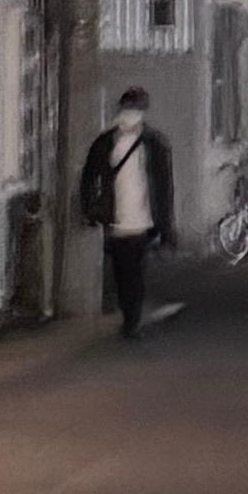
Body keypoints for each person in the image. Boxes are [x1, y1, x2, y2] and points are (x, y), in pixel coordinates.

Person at [77, 85, 174, 339]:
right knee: (123, 271)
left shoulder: (153, 144)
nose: (131, 114)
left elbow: (163, 187)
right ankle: (129, 316)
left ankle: (132, 319)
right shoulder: (108, 142)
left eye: (135, 109)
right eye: (130, 108)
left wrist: (165, 225)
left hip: (141, 219)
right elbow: (89, 177)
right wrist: (90, 208)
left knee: (133, 271)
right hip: (117, 218)